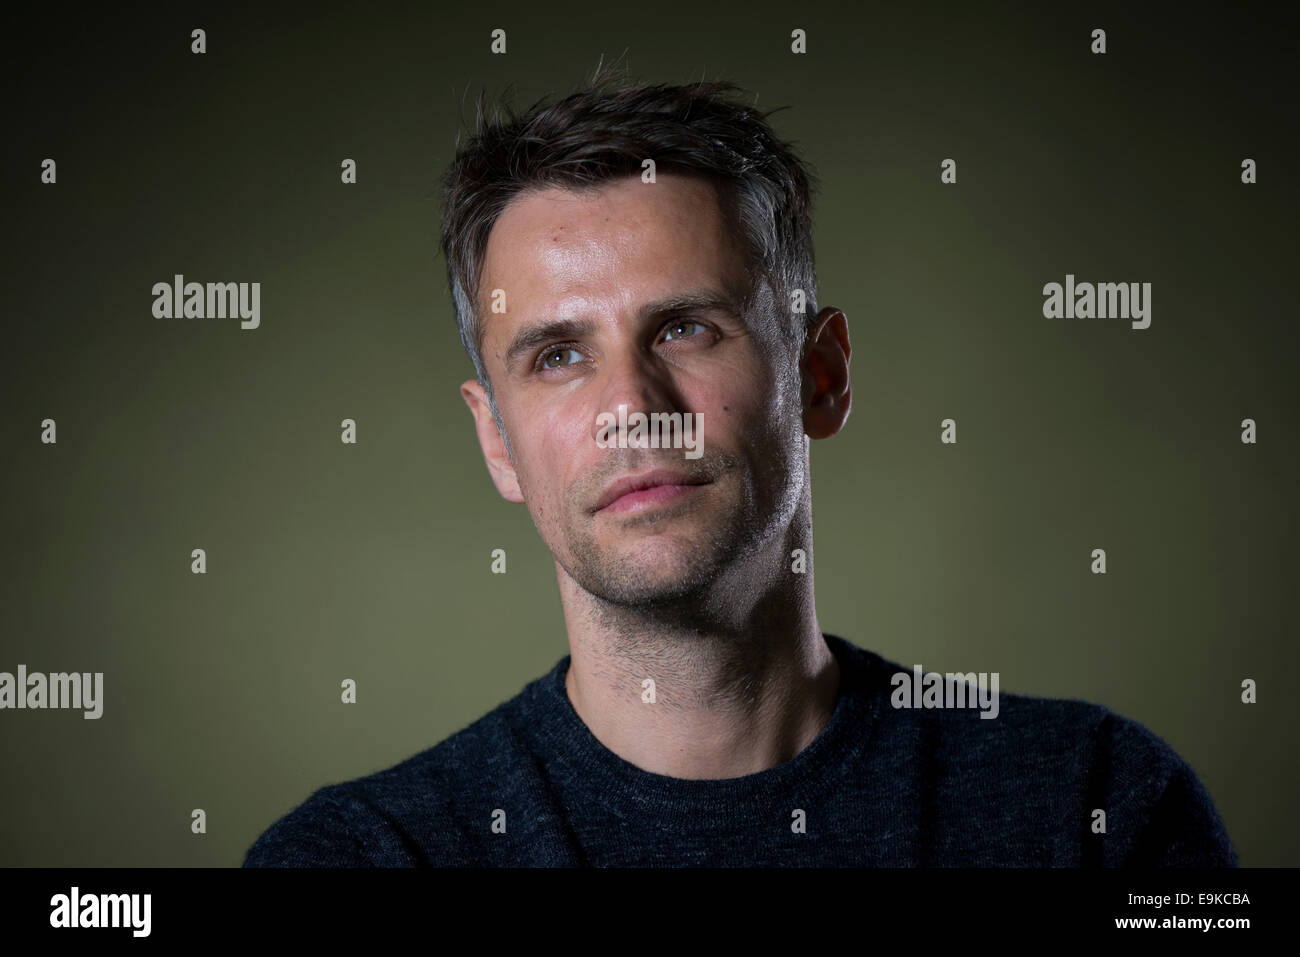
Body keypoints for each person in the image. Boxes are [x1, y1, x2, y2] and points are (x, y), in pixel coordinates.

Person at [243, 64, 1236, 867]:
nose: (633, 410)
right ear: (497, 441)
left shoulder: (1092, 808)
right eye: (556, 355)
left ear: (820, 373)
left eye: (683, 328)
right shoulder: (362, 857)